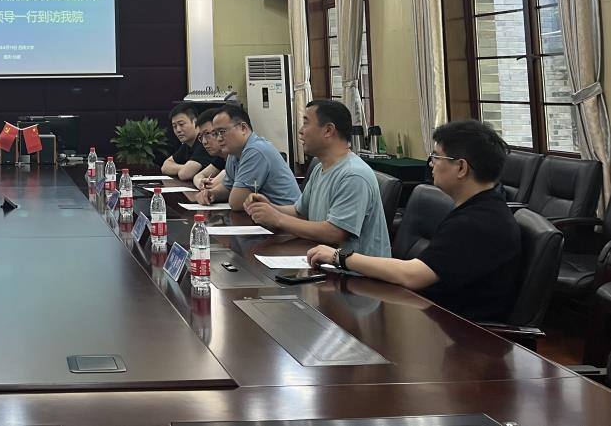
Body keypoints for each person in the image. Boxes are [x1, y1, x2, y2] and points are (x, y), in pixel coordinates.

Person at [306, 119, 522, 322]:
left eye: (436, 157)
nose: (431, 164)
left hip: (462, 331)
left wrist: (338, 256)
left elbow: (413, 275)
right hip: (431, 315)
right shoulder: (482, 208)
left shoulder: (477, 223)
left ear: (461, 168)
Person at [245, 99, 390, 257]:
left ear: (328, 130)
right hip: (323, 259)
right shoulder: (320, 168)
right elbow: (300, 212)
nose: (301, 131)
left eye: (306, 123)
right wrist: (269, 207)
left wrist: (277, 218)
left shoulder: (353, 175)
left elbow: (335, 232)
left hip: (356, 269)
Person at [194, 103, 301, 209]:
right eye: (215, 133)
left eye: (222, 132)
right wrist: (212, 194)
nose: (218, 138)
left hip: (287, 215)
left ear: (243, 128)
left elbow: (236, 203)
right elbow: (227, 188)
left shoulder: (255, 151)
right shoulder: (234, 153)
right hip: (265, 215)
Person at [160, 103, 212, 180]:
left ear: (195, 122)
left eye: (181, 124)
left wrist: (186, 169)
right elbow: (165, 167)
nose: (178, 130)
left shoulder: (204, 142)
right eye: (174, 126)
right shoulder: (188, 144)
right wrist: (185, 167)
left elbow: (185, 174)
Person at [191, 107, 227, 188]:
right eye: (201, 137)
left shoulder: (235, 156)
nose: (204, 142)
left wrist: (206, 184)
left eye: (207, 134)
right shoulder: (221, 157)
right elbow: (198, 176)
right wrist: (201, 182)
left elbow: (210, 186)